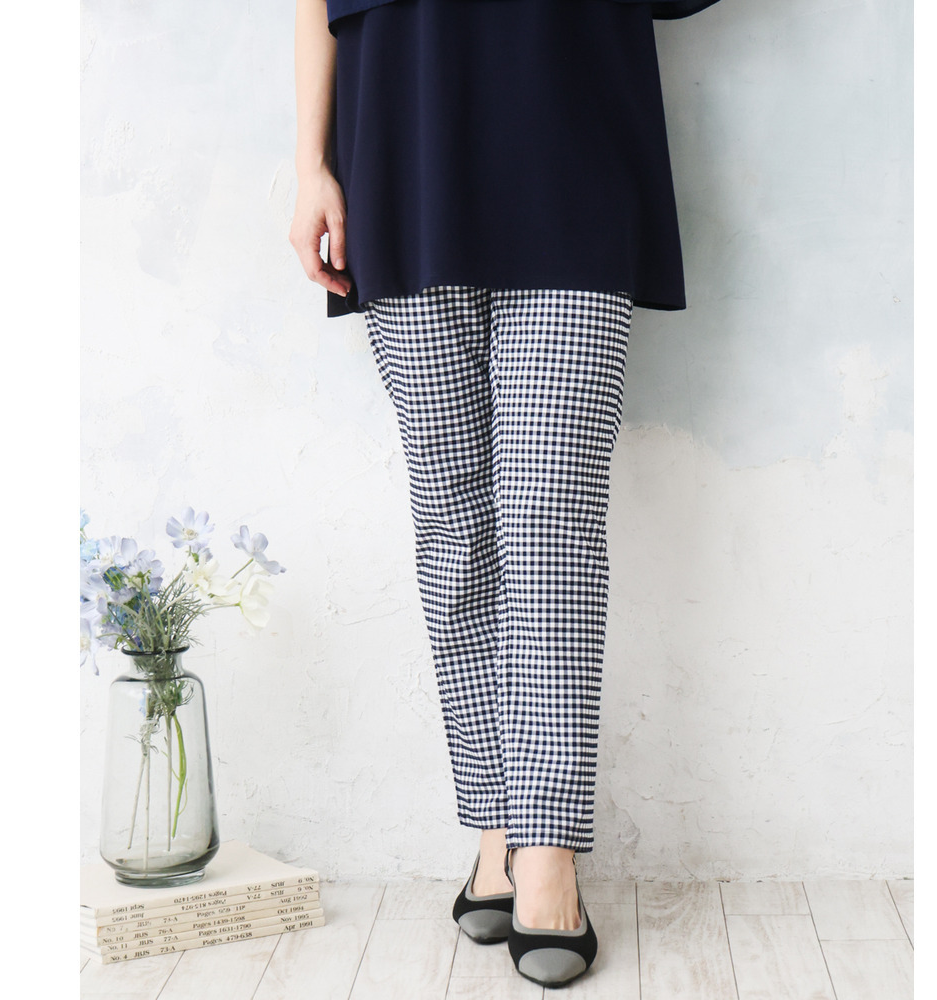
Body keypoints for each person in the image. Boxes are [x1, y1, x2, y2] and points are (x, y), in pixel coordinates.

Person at [290, 0, 722, 987]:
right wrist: (311, 165)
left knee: (549, 524)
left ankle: (548, 850)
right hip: (399, 145)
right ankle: (497, 828)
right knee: (455, 525)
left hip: (570, 139)